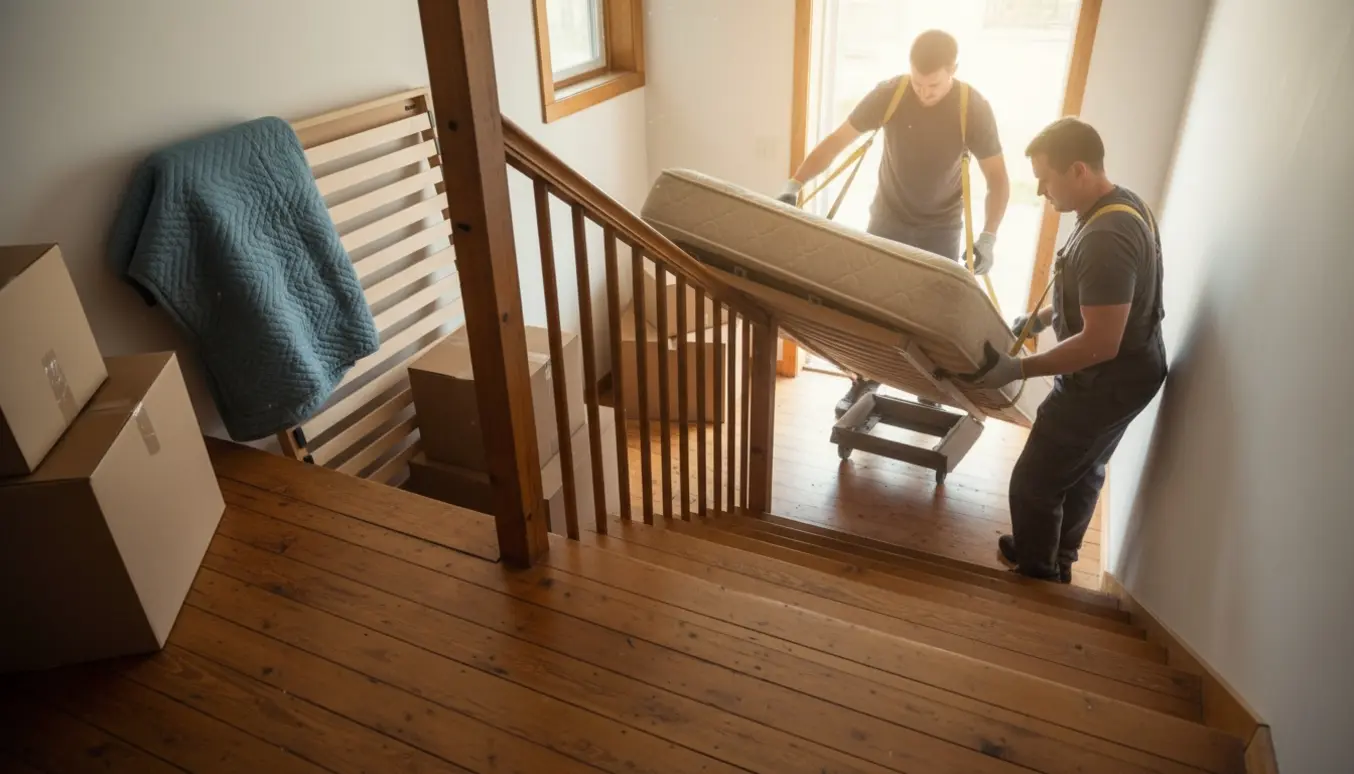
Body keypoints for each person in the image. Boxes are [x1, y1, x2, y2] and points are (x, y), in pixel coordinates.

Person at [954, 117, 1167, 583]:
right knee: (1085, 467)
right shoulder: (1120, 204)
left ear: (1078, 171)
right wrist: (1047, 317)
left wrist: (1018, 368)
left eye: (1045, 179)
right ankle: (1057, 553)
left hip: (1107, 381)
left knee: (1033, 482)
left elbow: (1099, 342)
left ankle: (1039, 571)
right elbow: (1110, 297)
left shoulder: (1106, 239)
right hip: (1135, 372)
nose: (1041, 192)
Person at [778, 29, 1010, 411]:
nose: (924, 92)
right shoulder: (893, 93)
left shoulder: (973, 107)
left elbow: (998, 179)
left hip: (942, 228)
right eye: (918, 83)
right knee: (873, 311)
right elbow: (837, 141)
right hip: (887, 219)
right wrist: (794, 183)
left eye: (933, 85)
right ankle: (863, 382)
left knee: (932, 319)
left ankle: (930, 392)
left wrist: (988, 237)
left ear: (953, 70)